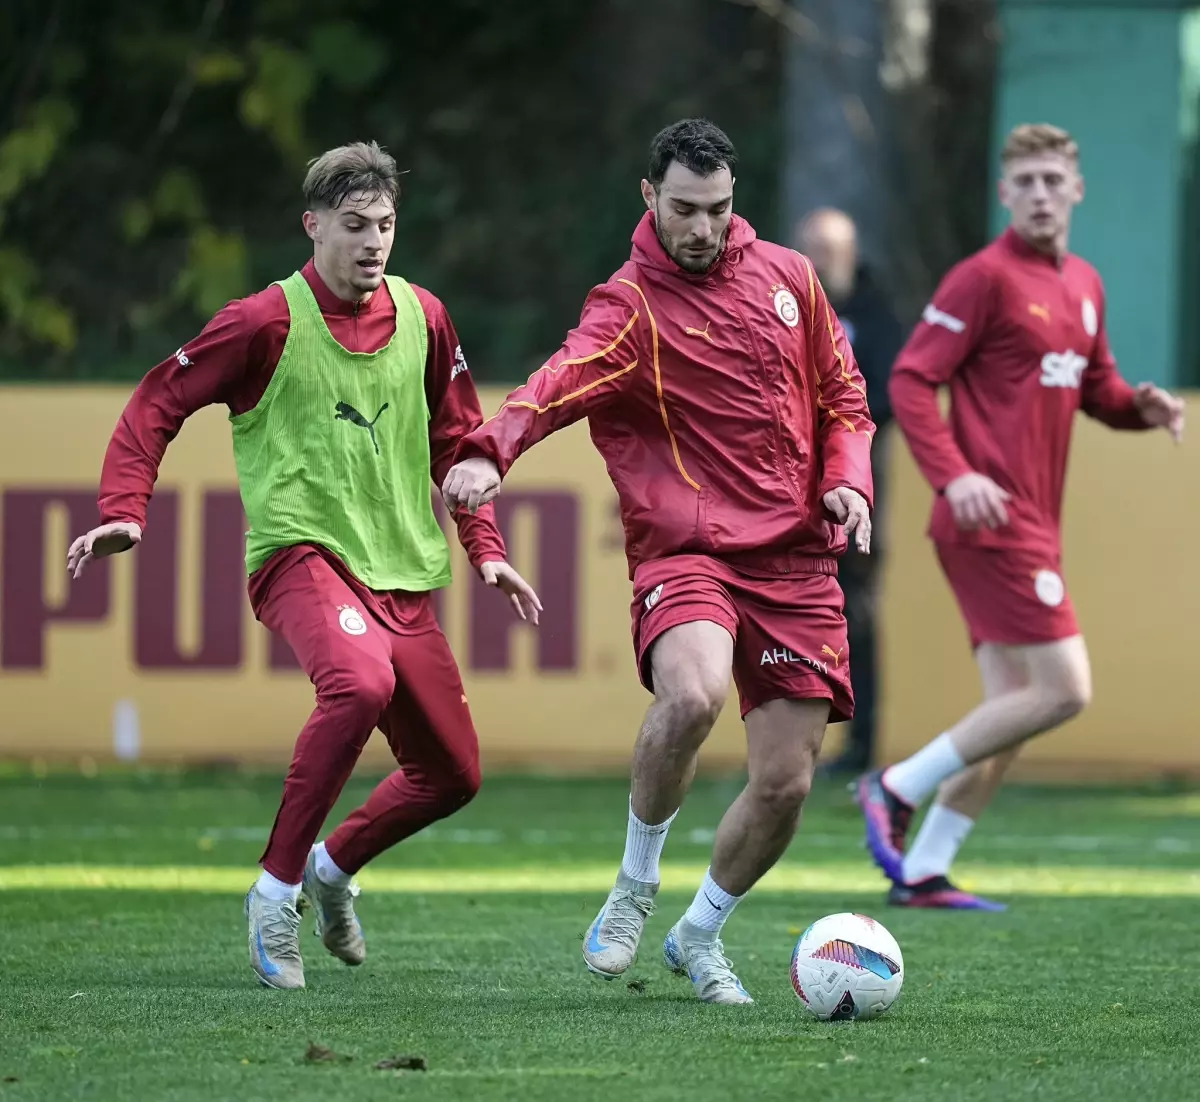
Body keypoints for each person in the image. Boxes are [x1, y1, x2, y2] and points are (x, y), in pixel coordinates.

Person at [66, 141, 542, 988]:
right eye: (354, 225)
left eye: (386, 225)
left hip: (401, 570)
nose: (373, 243)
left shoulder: (426, 316)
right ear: (312, 224)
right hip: (299, 553)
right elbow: (156, 402)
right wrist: (123, 512)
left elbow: (457, 444)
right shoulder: (263, 322)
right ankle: (275, 891)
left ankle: (330, 870)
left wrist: (487, 549)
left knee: (454, 776)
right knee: (357, 684)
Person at [442, 119, 875, 1004]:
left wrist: (849, 483)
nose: (702, 227)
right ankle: (636, 888)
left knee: (787, 784)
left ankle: (699, 933)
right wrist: (492, 449)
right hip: (692, 553)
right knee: (693, 693)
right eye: (683, 208)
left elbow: (846, 397)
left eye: (717, 209)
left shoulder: (792, 277)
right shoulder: (629, 304)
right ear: (649, 198)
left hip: (796, 562)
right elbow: (558, 380)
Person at [857, 123, 1184, 910]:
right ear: (1005, 194)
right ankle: (894, 788)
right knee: (1065, 690)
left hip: (1031, 522)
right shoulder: (984, 278)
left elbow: (1097, 389)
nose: (1040, 193)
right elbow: (907, 382)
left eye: (1052, 180)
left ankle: (926, 870)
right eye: (1026, 181)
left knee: (1011, 712)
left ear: (1077, 189)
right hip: (989, 520)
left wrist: (1141, 407)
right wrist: (954, 475)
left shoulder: (1086, 286)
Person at [795, 208, 903, 775]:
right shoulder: (781, 306)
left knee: (854, 615)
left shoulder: (874, 314)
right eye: (814, 248)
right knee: (788, 612)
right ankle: (790, 744)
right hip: (786, 487)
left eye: (834, 248)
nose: (824, 260)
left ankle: (860, 745)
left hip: (855, 488)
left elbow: (886, 396)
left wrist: (837, 425)